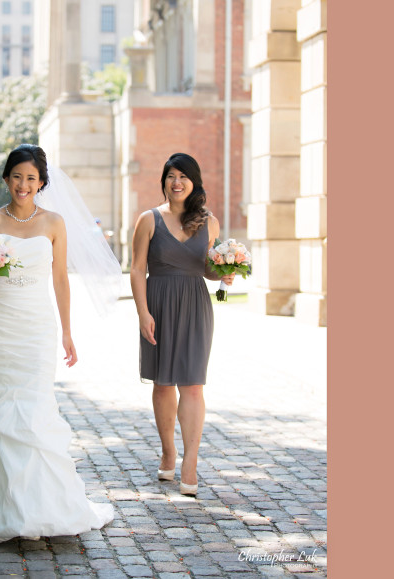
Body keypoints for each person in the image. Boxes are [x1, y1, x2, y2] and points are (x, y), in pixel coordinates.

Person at [0, 144, 115, 541]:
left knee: (34, 408)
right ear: (6, 179)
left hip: (37, 326)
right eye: (17, 176)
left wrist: (67, 330)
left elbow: (60, 279)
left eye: (31, 178)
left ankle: (38, 502)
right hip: (0, 324)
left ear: (41, 182)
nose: (23, 184)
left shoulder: (54, 223)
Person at [130, 153, 235, 497]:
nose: (177, 182)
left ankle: (190, 461)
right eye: (171, 176)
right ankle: (168, 451)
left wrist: (224, 273)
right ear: (164, 181)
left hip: (194, 306)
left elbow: (207, 268)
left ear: (194, 183)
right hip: (158, 304)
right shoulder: (148, 220)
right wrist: (143, 312)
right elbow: (137, 269)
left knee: (192, 385)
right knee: (162, 384)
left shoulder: (209, 223)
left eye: (184, 176)